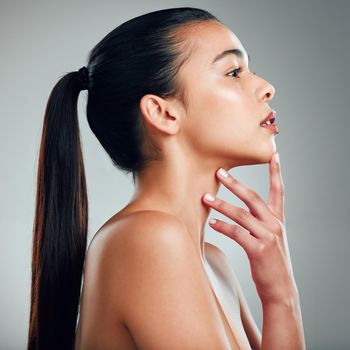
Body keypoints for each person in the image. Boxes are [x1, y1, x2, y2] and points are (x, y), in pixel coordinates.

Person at [27, 6, 306, 350]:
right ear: (163, 112)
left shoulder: (213, 262)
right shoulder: (147, 239)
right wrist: (281, 299)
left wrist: (281, 296)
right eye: (234, 72)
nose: (267, 87)